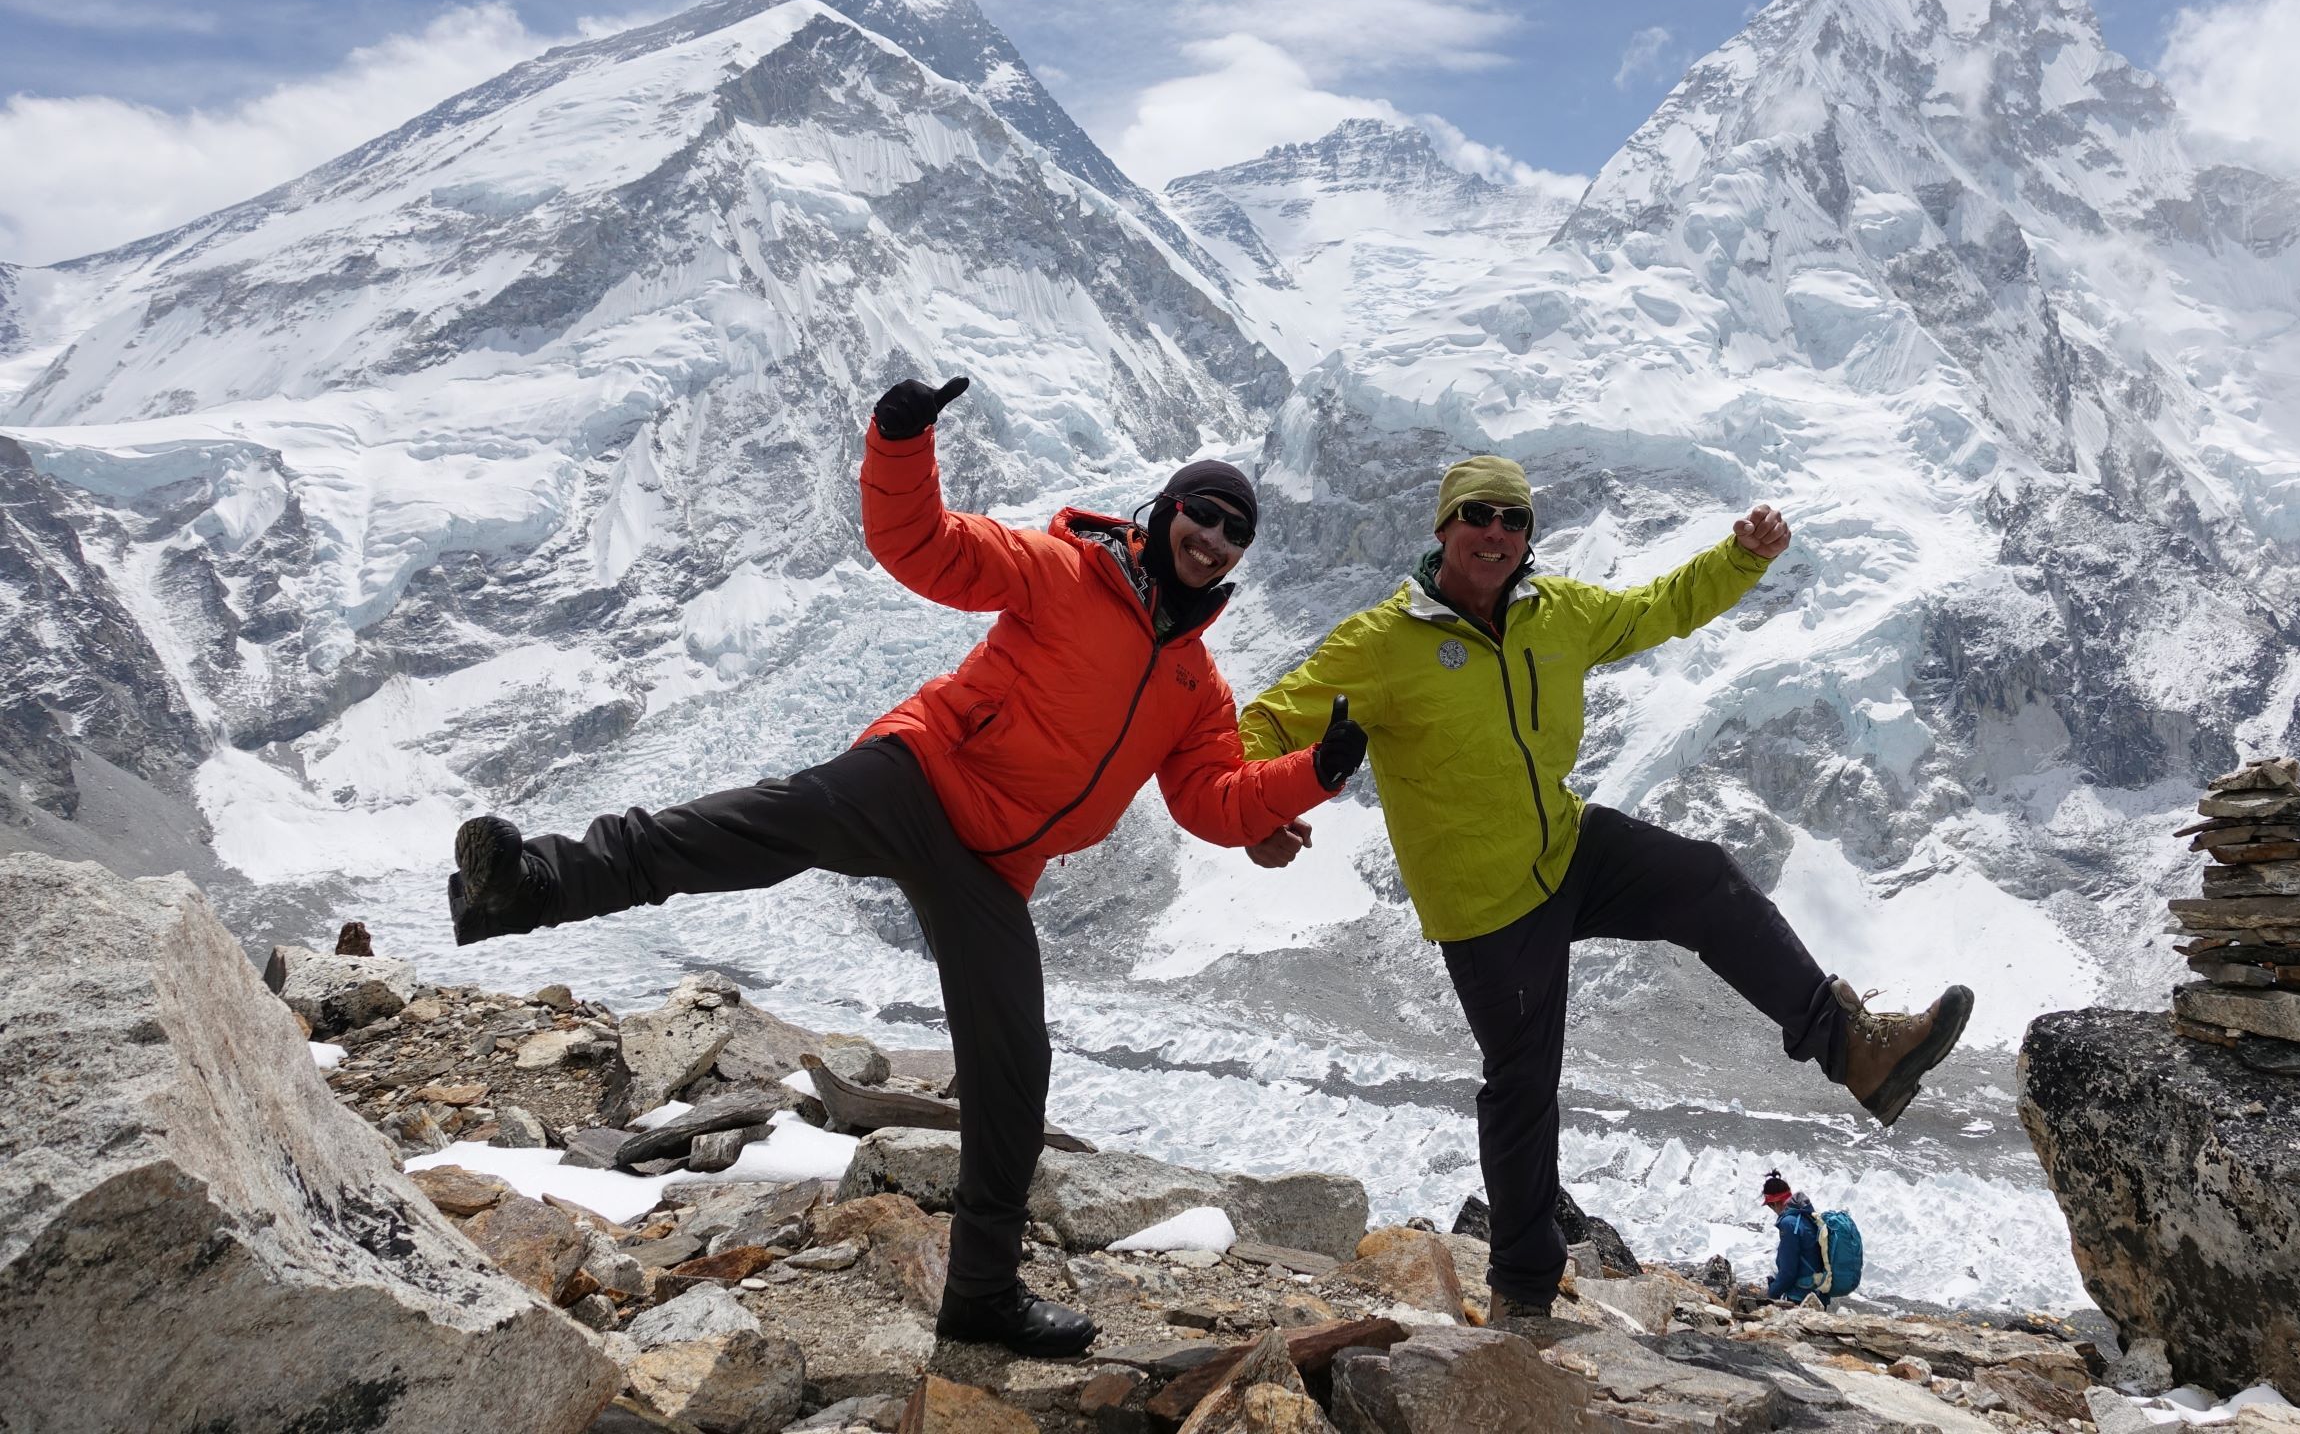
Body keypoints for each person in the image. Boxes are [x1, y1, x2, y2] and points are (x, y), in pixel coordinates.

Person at [443, 374, 1370, 1357]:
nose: (1216, 537)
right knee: (746, 832)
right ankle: (526, 885)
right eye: (1204, 514)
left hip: (994, 870)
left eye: (1237, 530)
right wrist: (899, 437)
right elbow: (922, 547)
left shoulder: (1195, 684)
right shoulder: (1061, 569)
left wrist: (1315, 774)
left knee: (1016, 1071)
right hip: (919, 777)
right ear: (1164, 513)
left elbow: (1214, 800)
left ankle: (980, 1298)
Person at [1238, 454, 1971, 1320]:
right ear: (1443, 527)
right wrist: (1259, 811)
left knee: (1706, 880)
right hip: (1485, 905)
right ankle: (1521, 1291)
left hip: (1568, 845)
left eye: (1516, 521)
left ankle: (1853, 1047)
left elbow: (1656, 609)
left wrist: (1741, 560)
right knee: (1522, 1086)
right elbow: (1267, 721)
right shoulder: (1383, 645)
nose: (1499, 534)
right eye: (1480, 515)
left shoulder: (1559, 613)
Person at [1762, 1171, 1822, 1304]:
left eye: (1771, 1206)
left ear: (1775, 1203)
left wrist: (1772, 1292)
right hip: (1816, 1293)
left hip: (1801, 1296)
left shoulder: (1789, 1224)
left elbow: (1788, 1272)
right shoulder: (1805, 1215)